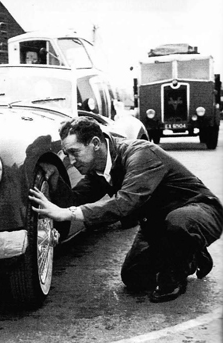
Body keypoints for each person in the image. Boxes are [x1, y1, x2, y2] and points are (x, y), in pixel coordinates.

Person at [29, 116, 223, 302]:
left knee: (180, 224)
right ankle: (190, 255)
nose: (71, 161)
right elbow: (75, 199)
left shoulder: (141, 154)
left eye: (75, 152)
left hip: (199, 209)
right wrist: (53, 176)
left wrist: (68, 213)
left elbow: (124, 204)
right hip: (158, 224)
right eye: (67, 154)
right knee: (133, 277)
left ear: (96, 143)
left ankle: (175, 275)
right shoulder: (98, 170)